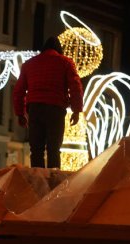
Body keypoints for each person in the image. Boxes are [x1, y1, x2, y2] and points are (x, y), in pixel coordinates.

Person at [12, 36, 83, 169]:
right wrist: (76, 110)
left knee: (36, 149)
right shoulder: (66, 63)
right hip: (55, 109)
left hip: (35, 109)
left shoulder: (29, 64)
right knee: (54, 149)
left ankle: (38, 182)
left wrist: (20, 114)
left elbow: (18, 91)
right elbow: (75, 86)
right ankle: (53, 182)